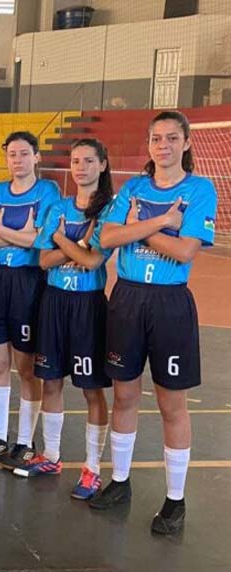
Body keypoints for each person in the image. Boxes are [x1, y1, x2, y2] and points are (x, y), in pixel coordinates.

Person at [90, 111, 217, 535]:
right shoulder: (135, 188)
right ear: (149, 145)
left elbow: (184, 252)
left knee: (171, 405)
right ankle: (120, 482)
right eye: (156, 138)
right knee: (124, 396)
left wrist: (137, 229)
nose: (162, 145)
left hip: (169, 304)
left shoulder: (200, 189)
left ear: (185, 144)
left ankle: (175, 500)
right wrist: (162, 222)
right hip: (126, 298)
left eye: (171, 138)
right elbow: (107, 238)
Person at [15, 139, 114, 499]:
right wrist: (72, 246)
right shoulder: (57, 206)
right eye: (75, 161)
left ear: (103, 165)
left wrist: (59, 238)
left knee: (91, 389)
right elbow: (43, 261)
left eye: (89, 160)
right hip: (54, 301)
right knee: (51, 380)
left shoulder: (109, 211)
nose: (81, 167)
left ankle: (92, 469)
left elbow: (92, 262)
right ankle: (51, 455)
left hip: (88, 304)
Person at [0, 131, 61, 468]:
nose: (18, 160)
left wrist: (2, 231)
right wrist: (19, 237)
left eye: (24, 153)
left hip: (28, 282)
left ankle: (25, 441)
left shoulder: (47, 191)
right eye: (12, 154)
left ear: (36, 157)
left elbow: (40, 240)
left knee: (26, 368)